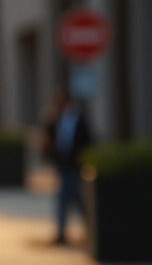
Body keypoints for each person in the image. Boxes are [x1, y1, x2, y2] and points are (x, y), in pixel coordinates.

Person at [41, 88, 93, 245]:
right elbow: (49, 138)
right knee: (71, 199)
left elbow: (88, 140)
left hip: (75, 165)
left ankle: (82, 231)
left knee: (69, 199)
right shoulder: (56, 119)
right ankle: (66, 232)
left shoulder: (79, 119)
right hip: (63, 165)